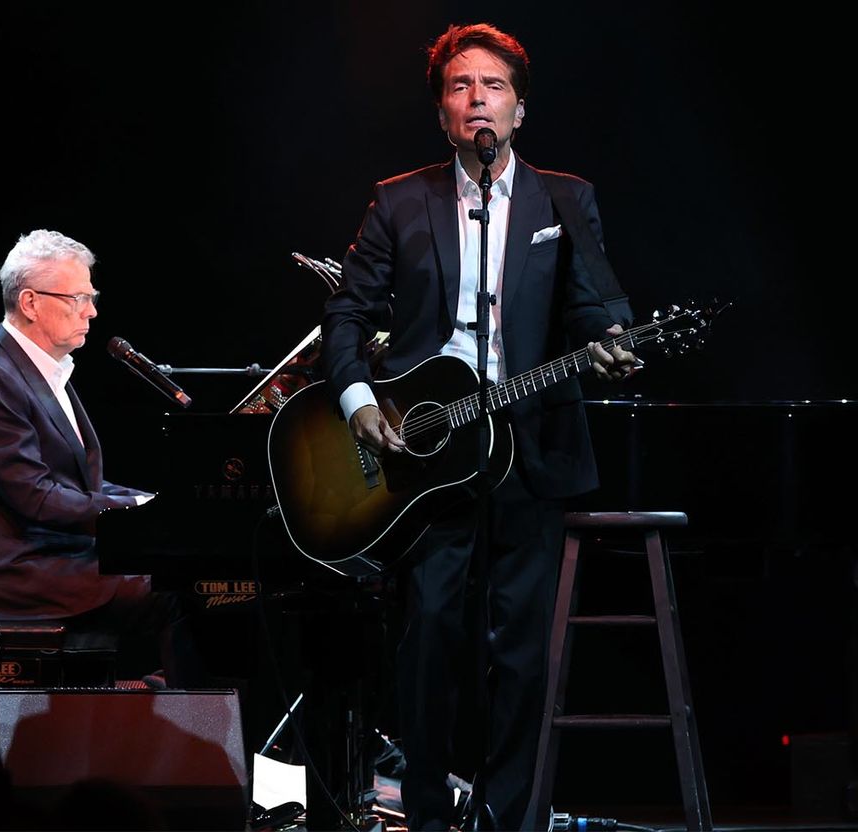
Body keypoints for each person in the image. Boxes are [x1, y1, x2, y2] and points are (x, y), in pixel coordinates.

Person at [321, 23, 640, 831]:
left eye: (493, 86)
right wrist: (361, 402)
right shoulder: (401, 198)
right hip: (430, 456)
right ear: (442, 112)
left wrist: (613, 346)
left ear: (519, 109)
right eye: (461, 87)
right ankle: (426, 815)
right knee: (429, 640)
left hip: (531, 448)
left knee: (524, 654)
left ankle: (508, 818)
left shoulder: (565, 198)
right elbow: (348, 314)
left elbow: (599, 304)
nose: (477, 100)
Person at [0, 229, 197, 686]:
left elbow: (81, 490)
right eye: (78, 297)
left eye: (91, 296)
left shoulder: (41, 371)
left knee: (202, 579)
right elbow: (35, 498)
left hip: (56, 557)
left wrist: (155, 502)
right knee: (181, 589)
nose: (92, 311)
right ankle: (196, 729)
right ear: (31, 302)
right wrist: (138, 513)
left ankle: (170, 707)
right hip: (16, 570)